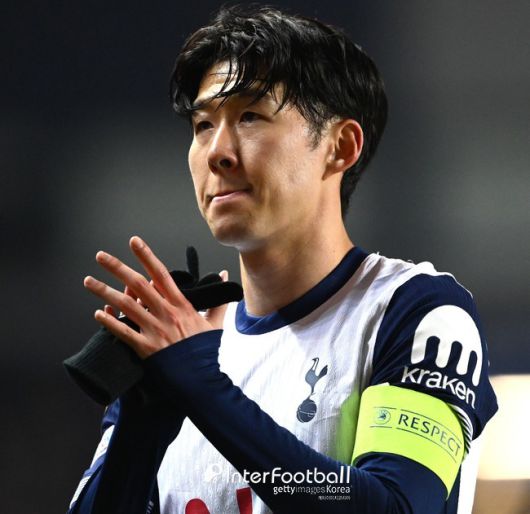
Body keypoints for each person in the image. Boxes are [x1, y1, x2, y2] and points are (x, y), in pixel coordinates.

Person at [67, 5, 497, 514]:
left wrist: (205, 390)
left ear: (340, 146)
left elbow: (397, 507)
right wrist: (140, 429)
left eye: (250, 116)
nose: (217, 152)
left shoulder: (416, 312)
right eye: (203, 124)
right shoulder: (179, 342)